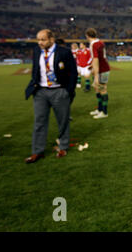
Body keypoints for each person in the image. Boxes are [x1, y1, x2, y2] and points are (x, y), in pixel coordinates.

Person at [24, 29, 78, 163]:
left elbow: (73, 73)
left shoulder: (64, 52)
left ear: (51, 40)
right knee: (39, 122)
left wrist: (68, 91)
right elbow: (36, 69)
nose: (40, 43)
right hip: (41, 92)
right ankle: (37, 151)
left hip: (59, 91)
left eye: (43, 40)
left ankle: (63, 147)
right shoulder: (37, 50)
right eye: (38, 40)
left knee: (63, 121)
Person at [86, 28, 110, 119]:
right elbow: (99, 57)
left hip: (102, 70)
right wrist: (92, 66)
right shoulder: (100, 42)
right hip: (103, 68)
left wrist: (96, 75)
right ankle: (99, 109)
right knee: (97, 88)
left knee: (102, 89)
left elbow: (96, 59)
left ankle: (104, 112)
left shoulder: (93, 44)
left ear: (87, 36)